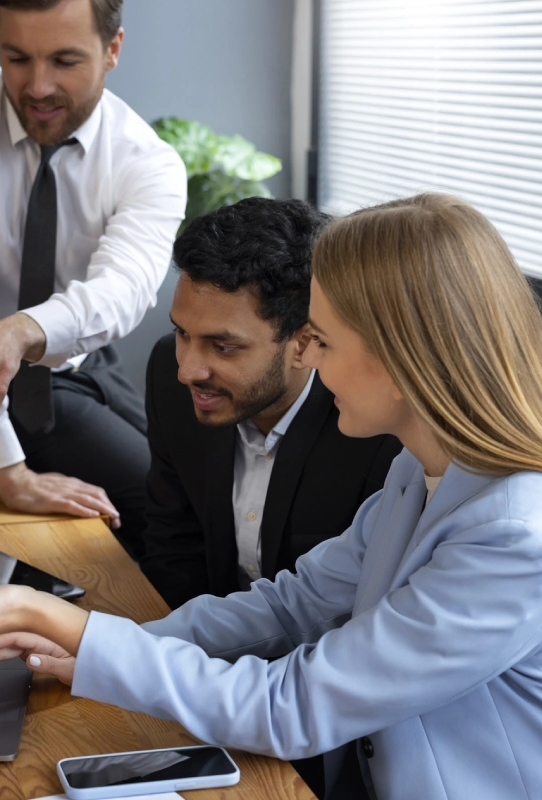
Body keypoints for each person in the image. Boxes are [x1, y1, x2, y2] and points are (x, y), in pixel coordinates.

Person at [0, 194, 542, 799]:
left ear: (403, 358)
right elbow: (290, 606)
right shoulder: (423, 474)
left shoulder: (517, 537)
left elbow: (295, 706)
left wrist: (76, 630)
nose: (310, 364)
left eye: (322, 340)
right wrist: (93, 650)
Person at [0, 0, 187, 555]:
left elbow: (125, 289)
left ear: (113, 49)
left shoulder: (147, 161)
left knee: (201, 481)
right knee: (157, 504)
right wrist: (12, 477)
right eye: (17, 58)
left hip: (81, 366)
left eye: (65, 61)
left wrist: (21, 329)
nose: (39, 86)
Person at [140, 198, 401, 609]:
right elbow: (172, 543)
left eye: (223, 347)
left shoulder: (375, 425)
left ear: (305, 343)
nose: (187, 370)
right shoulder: (167, 374)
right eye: (182, 333)